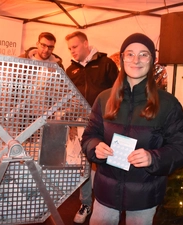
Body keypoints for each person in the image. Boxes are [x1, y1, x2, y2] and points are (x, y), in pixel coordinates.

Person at [80, 33, 183, 225]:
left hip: (144, 194)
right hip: (105, 190)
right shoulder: (104, 98)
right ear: (122, 58)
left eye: (143, 54)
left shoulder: (168, 104)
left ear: (153, 60)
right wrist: (95, 147)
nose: (136, 60)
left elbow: (181, 148)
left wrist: (153, 157)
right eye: (130, 54)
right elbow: (90, 135)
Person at [64, 31, 119, 223]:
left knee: (108, 162)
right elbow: (67, 98)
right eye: (69, 48)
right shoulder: (71, 70)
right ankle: (86, 203)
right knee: (84, 166)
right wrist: (71, 123)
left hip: (105, 123)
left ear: (86, 43)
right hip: (80, 125)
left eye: (75, 46)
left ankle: (109, 204)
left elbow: (119, 93)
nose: (72, 51)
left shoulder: (106, 64)